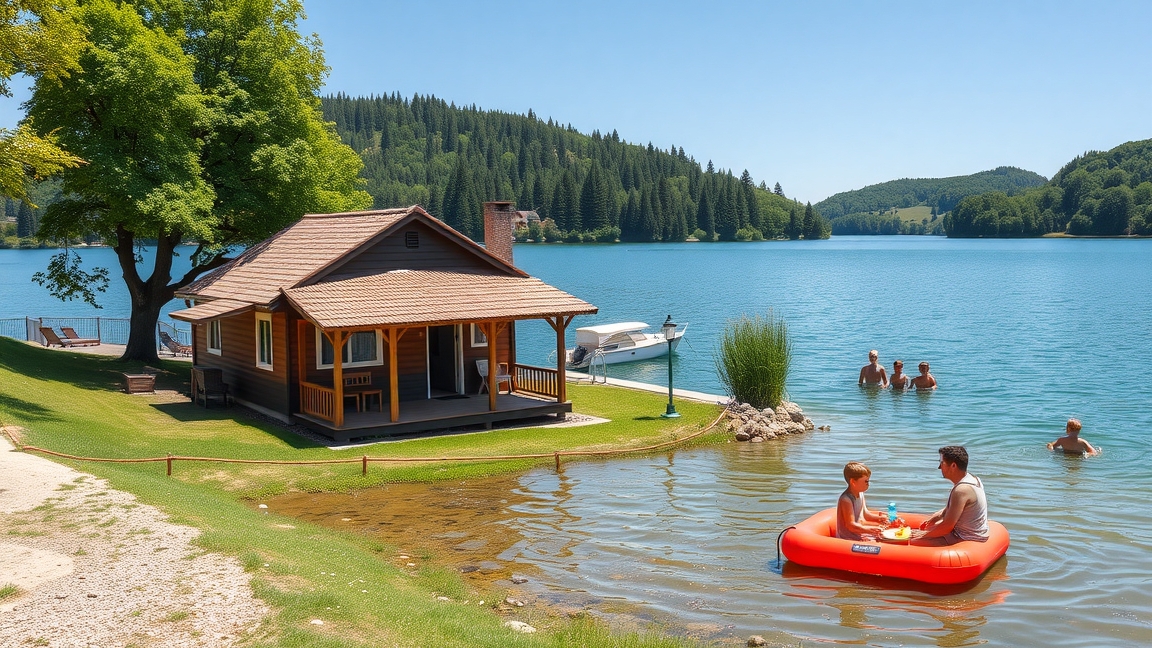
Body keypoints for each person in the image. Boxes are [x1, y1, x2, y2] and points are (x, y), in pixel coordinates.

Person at [911, 446, 988, 546]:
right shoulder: (973, 479)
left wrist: (922, 535)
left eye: (942, 463)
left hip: (964, 538)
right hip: (968, 533)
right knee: (929, 528)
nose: (939, 467)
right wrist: (936, 517)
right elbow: (955, 508)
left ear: (953, 466)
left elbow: (947, 527)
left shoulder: (962, 490)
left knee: (910, 542)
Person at [836, 462, 888, 541]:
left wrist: (881, 519)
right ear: (853, 482)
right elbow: (851, 526)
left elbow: (865, 515)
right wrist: (870, 530)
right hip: (848, 538)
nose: (868, 484)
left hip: (859, 534)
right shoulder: (846, 500)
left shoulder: (860, 494)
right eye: (866, 481)